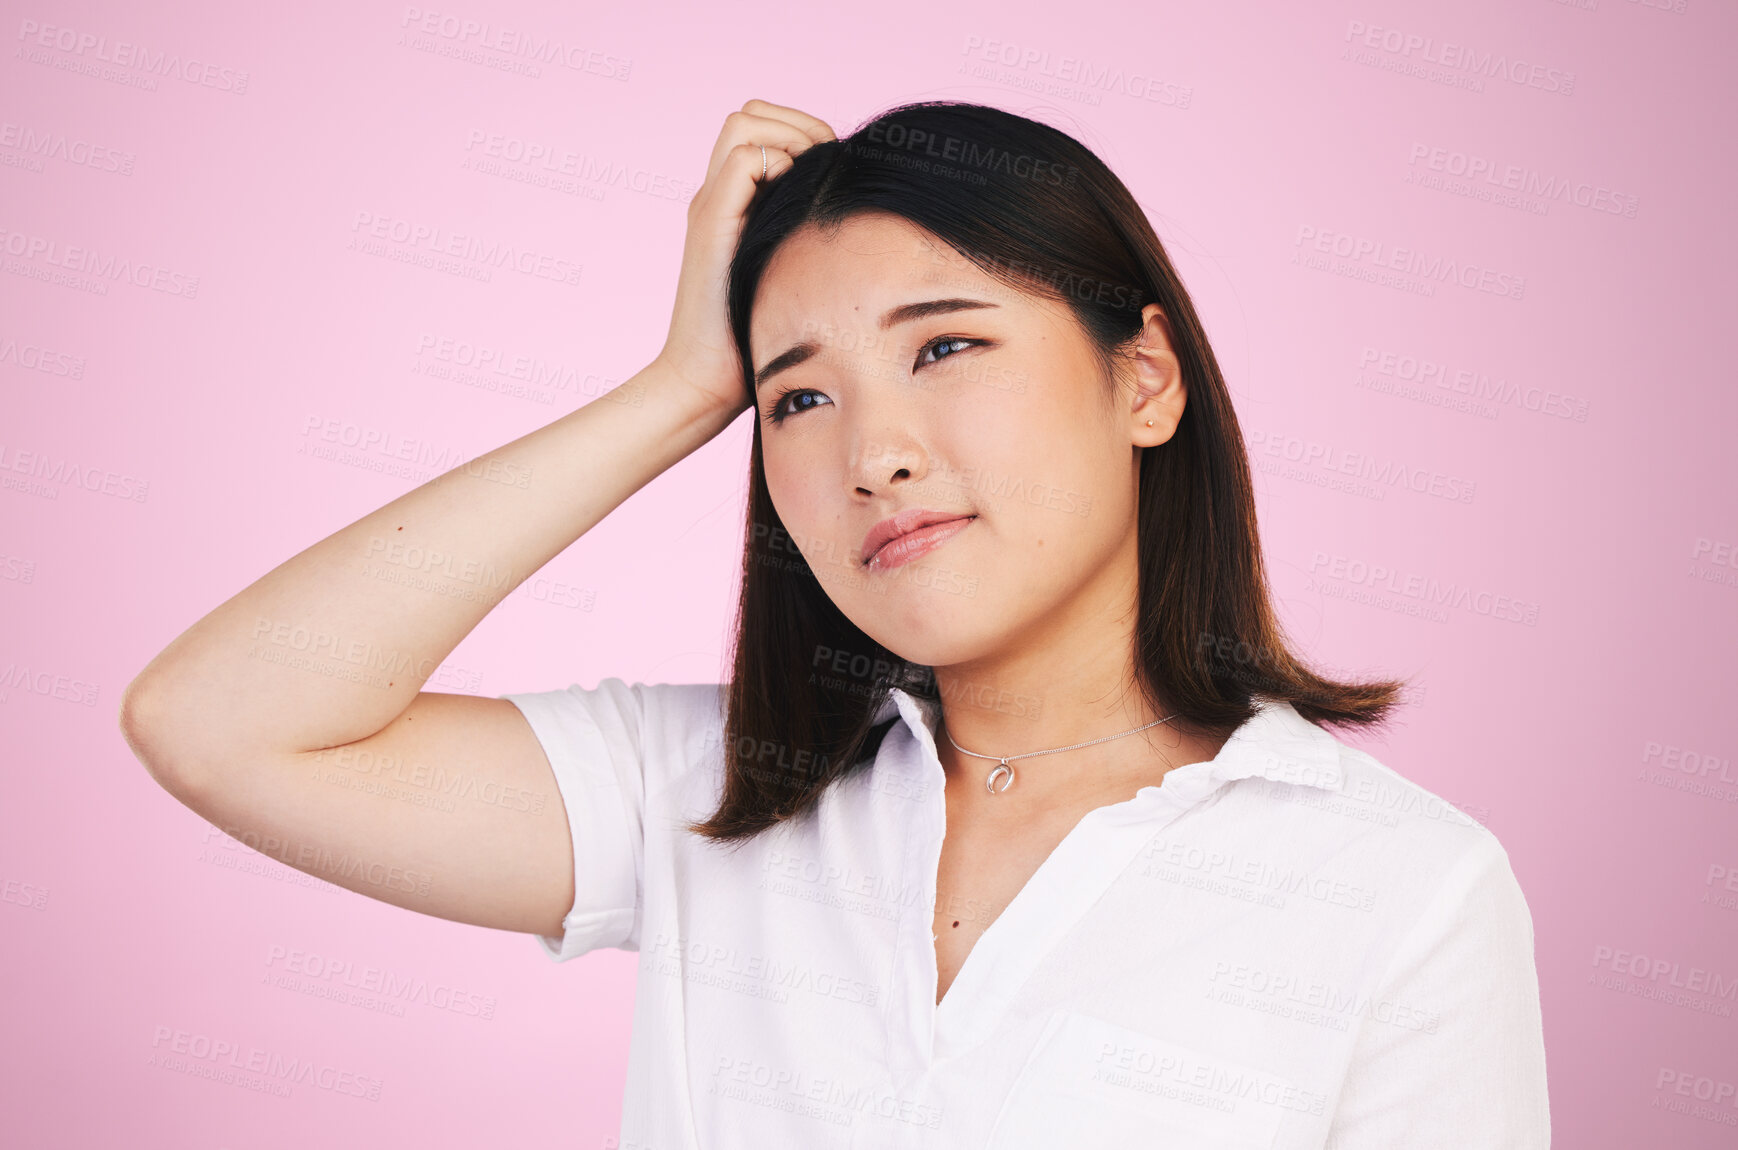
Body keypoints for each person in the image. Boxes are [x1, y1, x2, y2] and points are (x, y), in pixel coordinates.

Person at [120, 98, 1549, 1148]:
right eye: (799, 395)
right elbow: (220, 723)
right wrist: (679, 389)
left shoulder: (1398, 886)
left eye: (945, 346)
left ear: (1145, 381)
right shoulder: (707, 796)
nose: (872, 450)